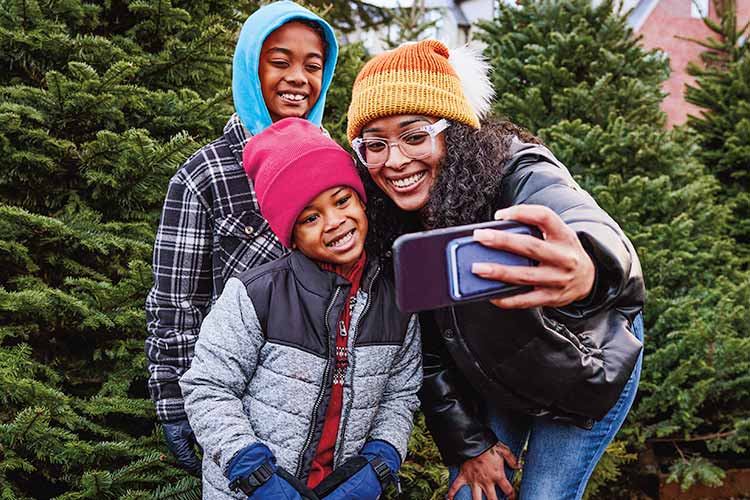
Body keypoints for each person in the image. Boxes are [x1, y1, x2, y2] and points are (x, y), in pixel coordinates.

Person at [346, 40, 645, 500]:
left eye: (414, 134)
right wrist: (470, 443)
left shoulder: (516, 169)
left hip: (582, 361)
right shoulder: (388, 221)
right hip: (498, 373)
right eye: (375, 144)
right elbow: (425, 350)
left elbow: (584, 222)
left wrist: (589, 269)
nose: (395, 161)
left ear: (455, 131)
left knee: (545, 494)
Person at [144, 1, 339, 475]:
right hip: (238, 410)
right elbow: (176, 306)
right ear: (251, 68)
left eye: (312, 66)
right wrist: (176, 404)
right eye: (280, 62)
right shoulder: (205, 175)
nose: (298, 78)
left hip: (331, 415)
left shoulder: (334, 164)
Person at [180, 118, 422, 499]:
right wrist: (251, 470)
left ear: (361, 199)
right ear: (290, 233)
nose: (335, 222)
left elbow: (401, 392)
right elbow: (208, 387)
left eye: (342, 201)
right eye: (311, 217)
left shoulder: (394, 301)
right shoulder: (255, 295)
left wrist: (381, 460)